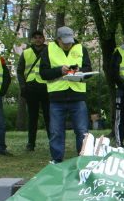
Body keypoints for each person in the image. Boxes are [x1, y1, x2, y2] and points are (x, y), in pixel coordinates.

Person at [39, 26, 92, 163]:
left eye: (70, 41)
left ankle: (83, 159)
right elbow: (43, 73)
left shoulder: (81, 49)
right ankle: (56, 159)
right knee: (56, 131)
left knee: (82, 130)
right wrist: (59, 71)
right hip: (57, 96)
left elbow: (88, 69)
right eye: (65, 42)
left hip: (77, 95)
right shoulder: (48, 50)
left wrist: (78, 71)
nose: (68, 44)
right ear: (58, 39)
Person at [17, 30, 50, 151]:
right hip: (31, 87)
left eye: (40, 37)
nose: (38, 39)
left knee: (49, 117)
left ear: (44, 39)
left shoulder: (50, 51)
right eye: (35, 37)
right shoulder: (26, 53)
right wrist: (22, 86)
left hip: (46, 86)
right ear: (31, 39)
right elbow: (20, 71)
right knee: (32, 117)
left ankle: (52, 141)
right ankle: (31, 144)